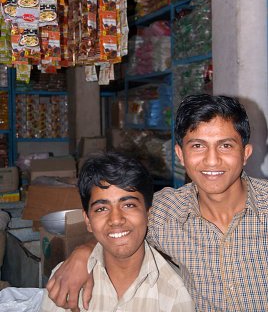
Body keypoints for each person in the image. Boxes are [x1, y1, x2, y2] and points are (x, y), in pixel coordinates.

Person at [46, 94, 268, 312]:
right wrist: (83, 253)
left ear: (245, 153)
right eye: (198, 146)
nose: (212, 160)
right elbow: (114, 224)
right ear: (180, 154)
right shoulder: (164, 211)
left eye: (225, 146)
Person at [41, 152, 194, 312]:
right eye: (101, 209)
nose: (115, 219)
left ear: (148, 214)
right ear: (88, 221)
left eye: (128, 205)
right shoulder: (65, 279)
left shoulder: (175, 294)